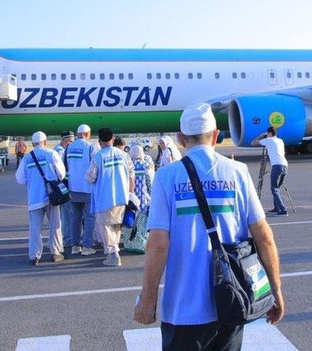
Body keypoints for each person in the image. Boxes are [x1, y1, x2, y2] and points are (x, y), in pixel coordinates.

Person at [134, 103, 284, 348]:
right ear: (215, 135)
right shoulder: (238, 171)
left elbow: (158, 245)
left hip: (183, 310)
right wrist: (274, 290)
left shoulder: (166, 176)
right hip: (233, 302)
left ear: (180, 139)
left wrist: (148, 299)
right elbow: (264, 237)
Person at [15, 131, 66, 265]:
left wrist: (31, 182)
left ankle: (34, 256)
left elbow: (19, 178)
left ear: (32, 144)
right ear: (45, 142)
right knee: (55, 225)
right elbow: (61, 174)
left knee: (35, 228)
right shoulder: (51, 154)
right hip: (51, 197)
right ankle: (56, 253)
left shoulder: (27, 158)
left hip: (34, 198)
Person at [85, 127, 135, 267]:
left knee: (105, 225)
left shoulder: (98, 157)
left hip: (104, 197)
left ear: (99, 141)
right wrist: (130, 192)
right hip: (122, 196)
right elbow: (132, 172)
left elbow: (90, 177)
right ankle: (114, 250)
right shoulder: (123, 154)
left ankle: (113, 254)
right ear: (112, 139)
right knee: (116, 225)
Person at [64, 124, 97, 255]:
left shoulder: (69, 147)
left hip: (73, 187)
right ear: (88, 134)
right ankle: (87, 246)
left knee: (75, 217)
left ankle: (75, 246)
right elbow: (95, 166)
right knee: (90, 218)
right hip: (87, 188)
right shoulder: (90, 146)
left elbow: (65, 166)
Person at [251, 126, 289, 216]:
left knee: (274, 189)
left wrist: (261, 136)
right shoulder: (280, 140)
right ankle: (276, 207)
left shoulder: (269, 140)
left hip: (277, 166)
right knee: (277, 188)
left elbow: (253, 143)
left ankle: (283, 210)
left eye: (267, 133)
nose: (266, 135)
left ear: (270, 133)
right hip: (285, 166)